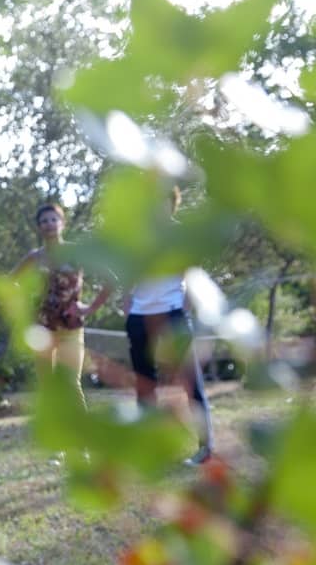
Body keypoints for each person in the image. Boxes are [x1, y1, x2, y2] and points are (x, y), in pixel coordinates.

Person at [123, 186, 214, 465]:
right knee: (145, 385)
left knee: (190, 383)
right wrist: (128, 308)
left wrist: (183, 309)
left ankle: (205, 448)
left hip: (173, 316)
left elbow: (194, 275)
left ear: (171, 204)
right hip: (139, 318)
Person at [14, 203, 111, 412]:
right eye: (43, 221)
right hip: (41, 330)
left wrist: (90, 308)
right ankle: (57, 443)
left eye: (53, 219)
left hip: (71, 328)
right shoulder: (34, 257)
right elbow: (11, 283)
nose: (49, 224)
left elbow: (110, 280)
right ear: (38, 228)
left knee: (70, 383)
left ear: (62, 223)